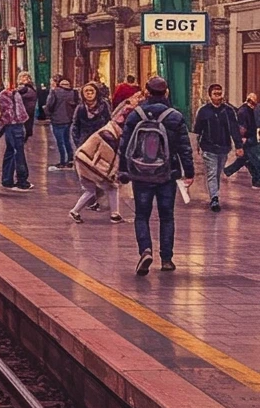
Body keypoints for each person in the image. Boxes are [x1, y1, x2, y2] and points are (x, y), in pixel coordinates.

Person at [118, 76, 194, 275]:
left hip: (141, 174)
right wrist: (189, 172)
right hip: (166, 173)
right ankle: (167, 259)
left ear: (147, 92)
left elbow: (124, 144)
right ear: (166, 92)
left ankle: (145, 250)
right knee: (166, 216)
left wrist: (123, 170)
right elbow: (185, 147)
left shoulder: (136, 115)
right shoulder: (174, 116)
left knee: (141, 215)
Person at [70, 95, 142, 224]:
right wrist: (112, 173)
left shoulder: (110, 130)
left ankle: (75, 211)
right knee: (112, 186)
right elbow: (108, 157)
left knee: (90, 190)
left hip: (83, 159)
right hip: (89, 162)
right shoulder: (110, 135)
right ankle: (115, 214)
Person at [192, 83, 242, 212]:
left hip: (223, 148)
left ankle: (215, 194)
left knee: (218, 173)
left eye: (220, 94)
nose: (218, 97)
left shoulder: (228, 111)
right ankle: (214, 198)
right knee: (212, 173)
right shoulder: (203, 111)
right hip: (208, 148)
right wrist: (196, 146)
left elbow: (234, 129)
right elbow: (198, 130)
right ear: (209, 96)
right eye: (215, 94)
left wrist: (238, 146)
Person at [0, 83, 33, 191]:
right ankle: (21, 181)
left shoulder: (8, 94)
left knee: (12, 151)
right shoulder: (8, 94)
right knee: (17, 152)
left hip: (12, 125)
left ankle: (7, 179)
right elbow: (11, 113)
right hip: (15, 125)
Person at [224, 93, 259, 188]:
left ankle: (227, 171)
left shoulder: (248, 110)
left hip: (250, 139)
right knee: (254, 160)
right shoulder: (244, 111)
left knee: (246, 160)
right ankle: (256, 181)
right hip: (248, 140)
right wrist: (241, 141)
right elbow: (241, 128)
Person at [44, 77, 77, 169]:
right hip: (68, 120)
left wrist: (48, 113)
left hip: (57, 119)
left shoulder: (55, 92)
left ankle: (62, 161)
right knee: (67, 140)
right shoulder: (73, 93)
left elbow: (49, 104)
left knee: (60, 141)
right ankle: (70, 160)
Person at [72, 83, 111, 150]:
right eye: (86, 91)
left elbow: (109, 122)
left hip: (101, 142)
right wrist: (78, 143)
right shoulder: (80, 108)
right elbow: (75, 126)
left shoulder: (103, 105)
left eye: (91, 91)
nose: (89, 93)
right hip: (85, 142)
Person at [16, 71, 37, 141]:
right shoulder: (32, 88)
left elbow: (16, 95)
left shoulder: (25, 88)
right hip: (29, 112)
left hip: (24, 112)